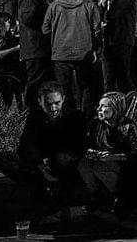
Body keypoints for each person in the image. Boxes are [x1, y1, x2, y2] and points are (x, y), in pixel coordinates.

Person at [16, 81, 86, 225]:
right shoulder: (35, 117)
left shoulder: (75, 117)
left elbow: (79, 145)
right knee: (6, 160)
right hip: (41, 163)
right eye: (48, 104)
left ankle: (58, 210)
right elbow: (25, 145)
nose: (53, 108)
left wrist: (59, 158)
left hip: (65, 163)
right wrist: (41, 164)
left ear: (63, 99)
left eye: (57, 103)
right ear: (40, 102)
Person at [79, 91, 137, 218]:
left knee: (100, 168)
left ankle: (116, 195)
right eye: (99, 106)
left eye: (104, 106)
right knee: (83, 164)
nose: (99, 109)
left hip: (123, 167)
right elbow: (85, 145)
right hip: (100, 161)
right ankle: (96, 194)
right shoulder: (95, 124)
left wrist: (115, 156)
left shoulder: (128, 126)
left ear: (115, 108)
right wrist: (90, 152)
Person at [42, 0, 102, 112]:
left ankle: (67, 121)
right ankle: (85, 121)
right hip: (84, 54)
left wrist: (58, 36)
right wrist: (95, 49)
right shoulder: (89, 5)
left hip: (60, 53)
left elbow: (45, 29)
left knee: (63, 91)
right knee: (87, 88)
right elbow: (98, 30)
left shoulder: (54, 6)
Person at [18, 0, 53, 109]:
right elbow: (28, 18)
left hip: (39, 48)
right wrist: (47, 23)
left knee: (39, 83)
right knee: (35, 83)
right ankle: (29, 115)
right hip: (35, 48)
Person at [99, 0, 137, 93]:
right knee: (116, 77)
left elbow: (112, 14)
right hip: (115, 40)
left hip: (120, 40)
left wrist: (105, 0)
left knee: (122, 77)